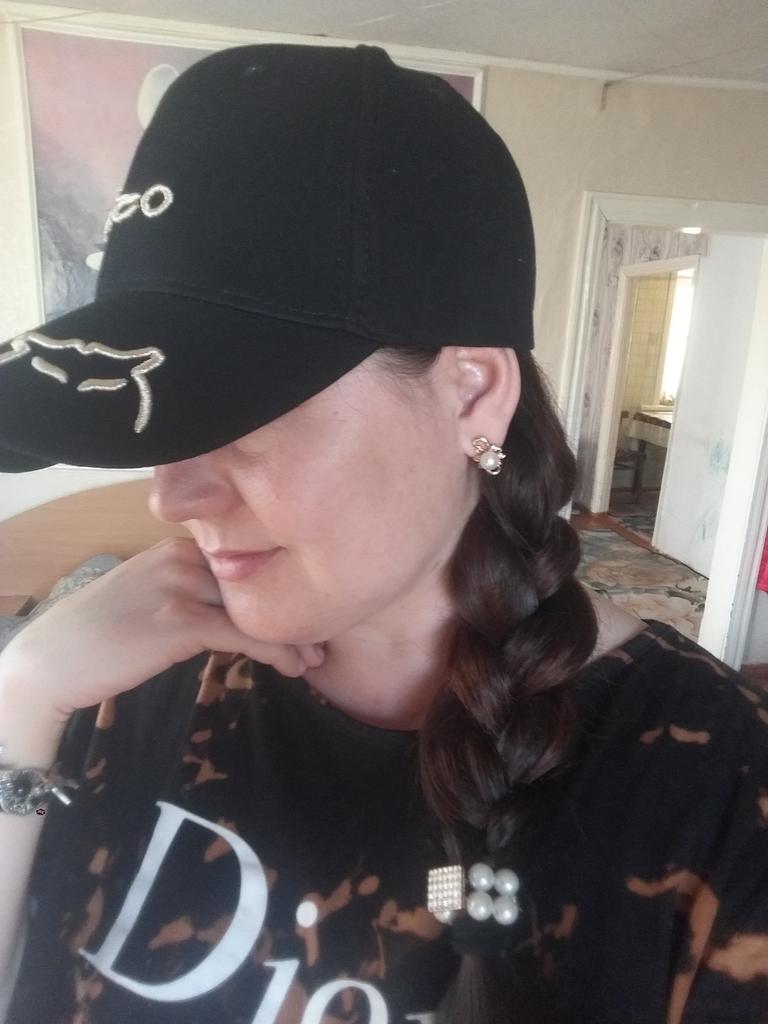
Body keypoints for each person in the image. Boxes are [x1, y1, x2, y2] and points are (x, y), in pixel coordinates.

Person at [0, 42, 766, 1024]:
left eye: (240, 410)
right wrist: (25, 694)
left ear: (471, 392)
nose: (171, 498)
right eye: (167, 424)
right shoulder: (123, 677)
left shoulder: (719, 793)